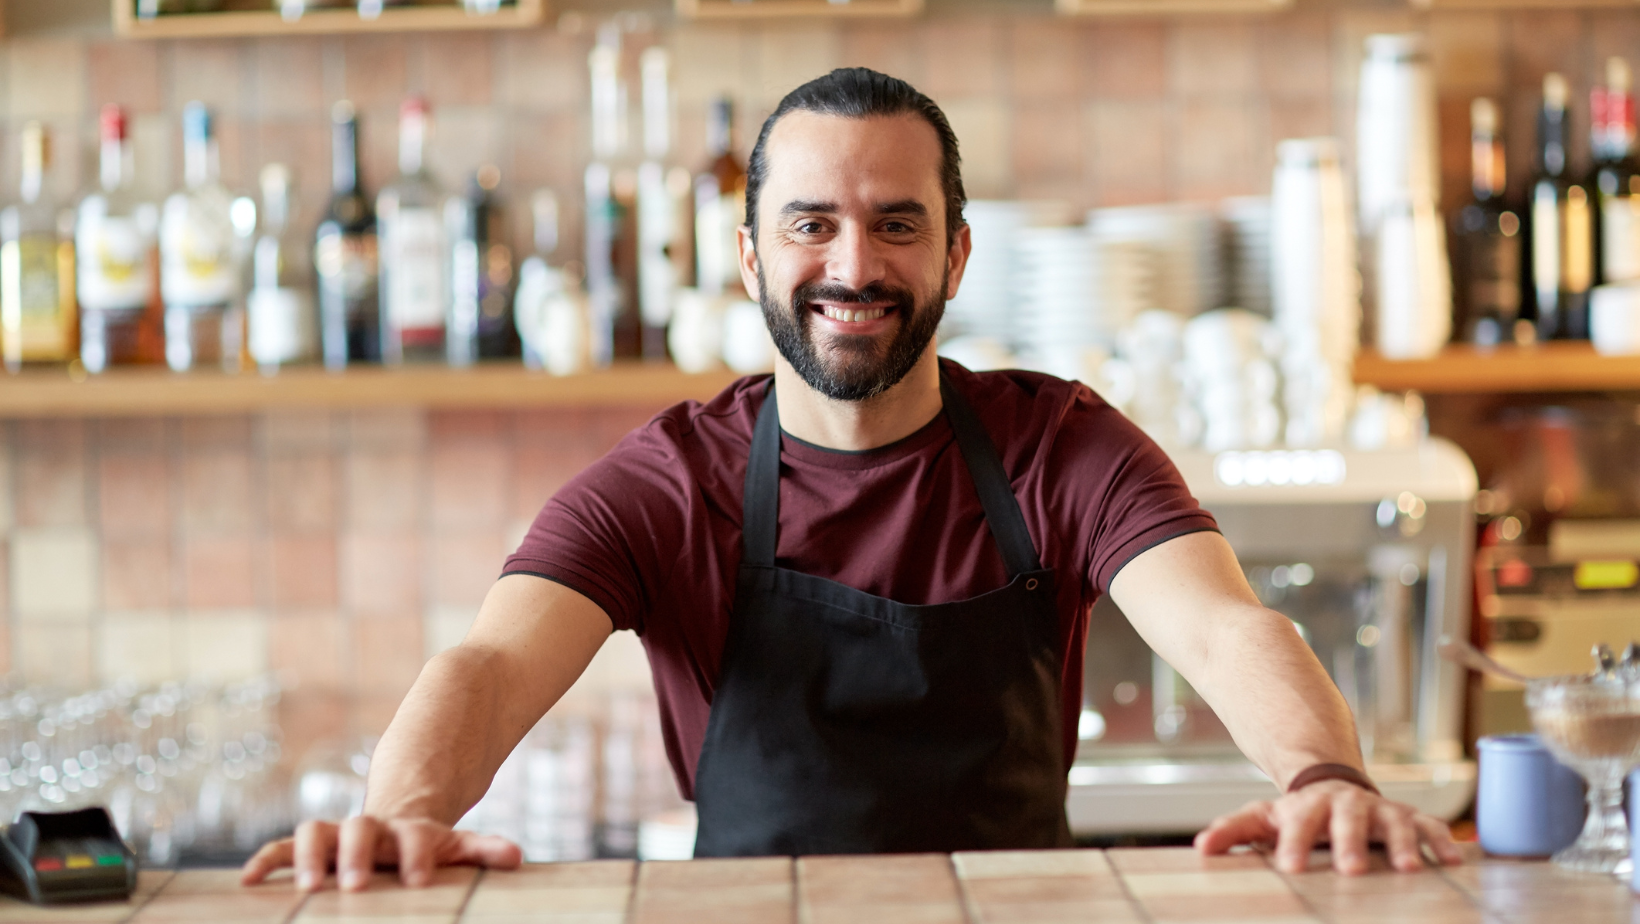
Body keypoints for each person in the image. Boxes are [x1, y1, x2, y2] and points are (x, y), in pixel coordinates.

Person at [242, 68, 1463, 892]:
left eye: (895, 223)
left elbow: (1221, 622)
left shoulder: (1061, 447)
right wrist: (402, 811)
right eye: (810, 223)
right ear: (749, 256)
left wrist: (1322, 777)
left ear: (955, 251)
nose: (851, 262)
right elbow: (495, 662)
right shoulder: (671, 480)